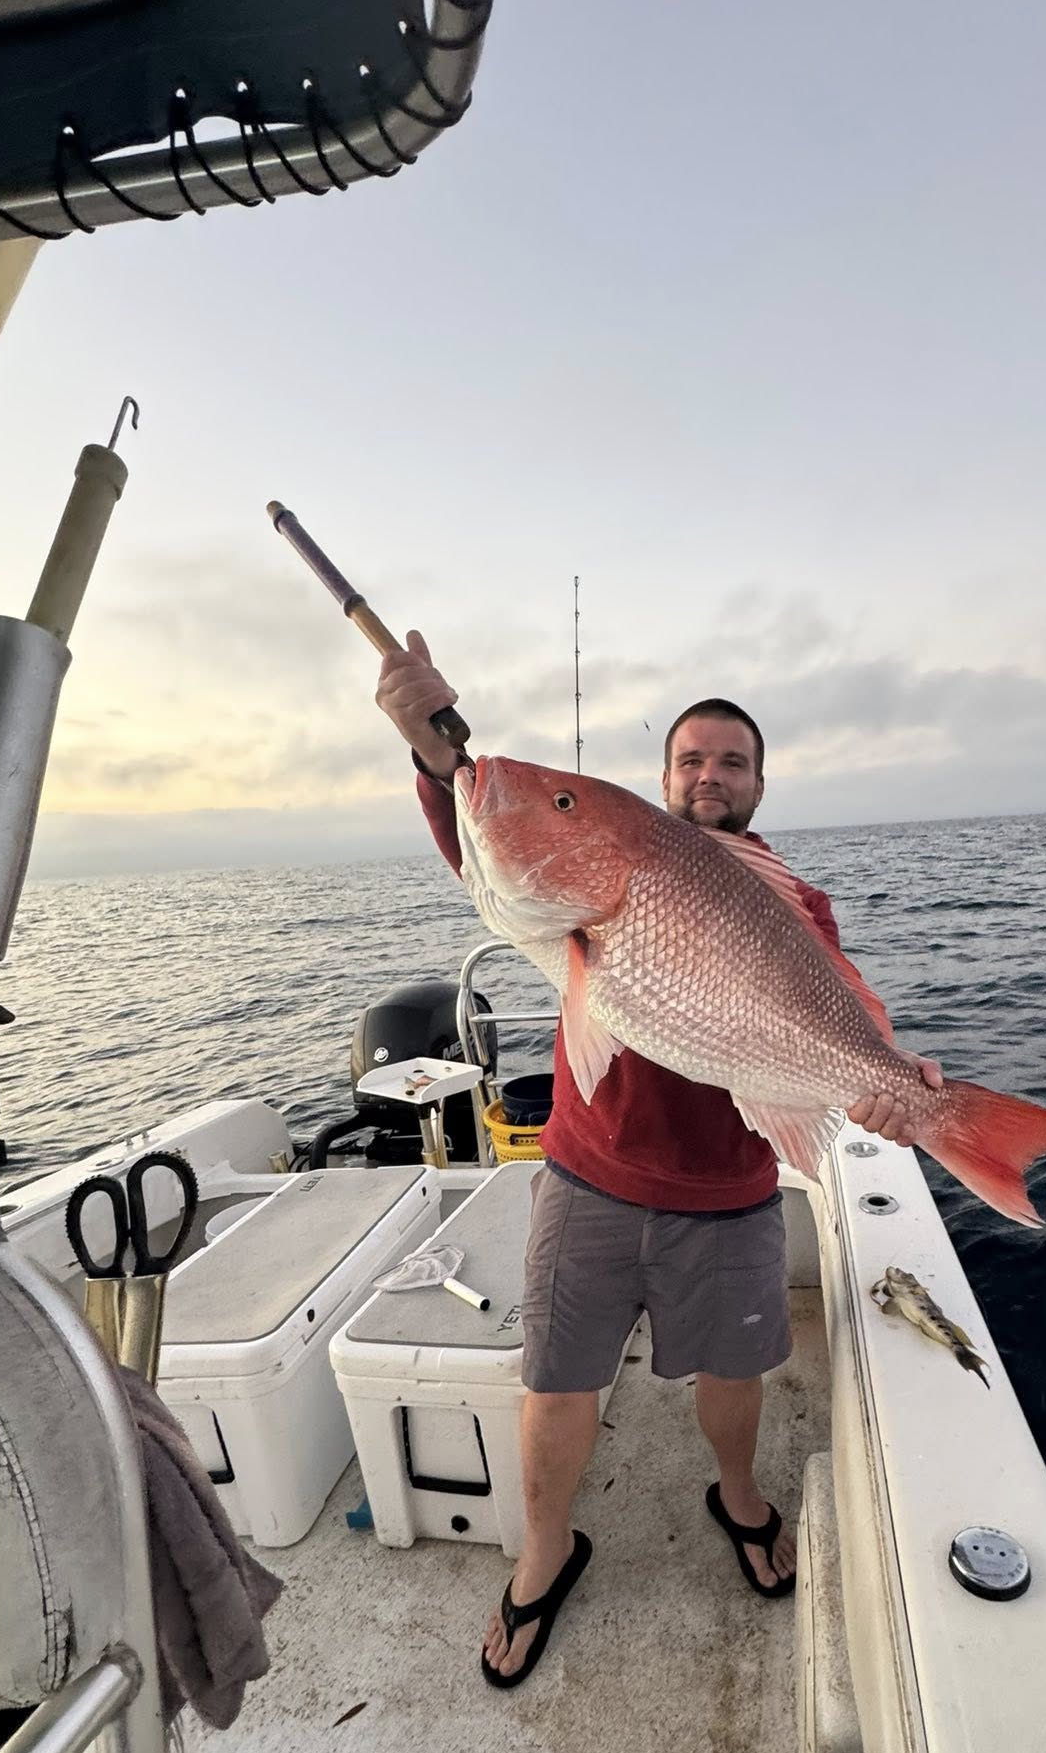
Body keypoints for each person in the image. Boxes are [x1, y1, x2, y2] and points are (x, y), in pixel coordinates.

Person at [376, 631, 938, 1687]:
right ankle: (544, 1552)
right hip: (589, 1179)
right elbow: (487, 836)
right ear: (665, 778)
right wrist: (431, 750)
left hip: (731, 1195)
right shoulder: (610, 871)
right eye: (690, 759)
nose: (710, 775)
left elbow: (845, 1025)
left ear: (760, 782)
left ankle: (738, 1494)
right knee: (556, 1380)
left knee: (736, 1374)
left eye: (731, 761)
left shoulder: (797, 904)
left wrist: (895, 1081)